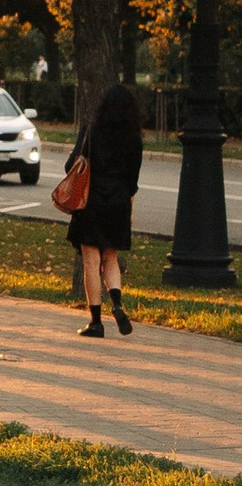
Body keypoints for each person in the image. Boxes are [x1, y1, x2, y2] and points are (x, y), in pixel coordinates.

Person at [68, 80, 145, 336]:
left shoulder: (92, 130)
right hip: (119, 203)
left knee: (91, 260)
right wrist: (129, 207)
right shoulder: (134, 138)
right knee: (110, 257)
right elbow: (133, 180)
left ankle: (96, 322)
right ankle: (118, 305)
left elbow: (71, 165)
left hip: (92, 202)